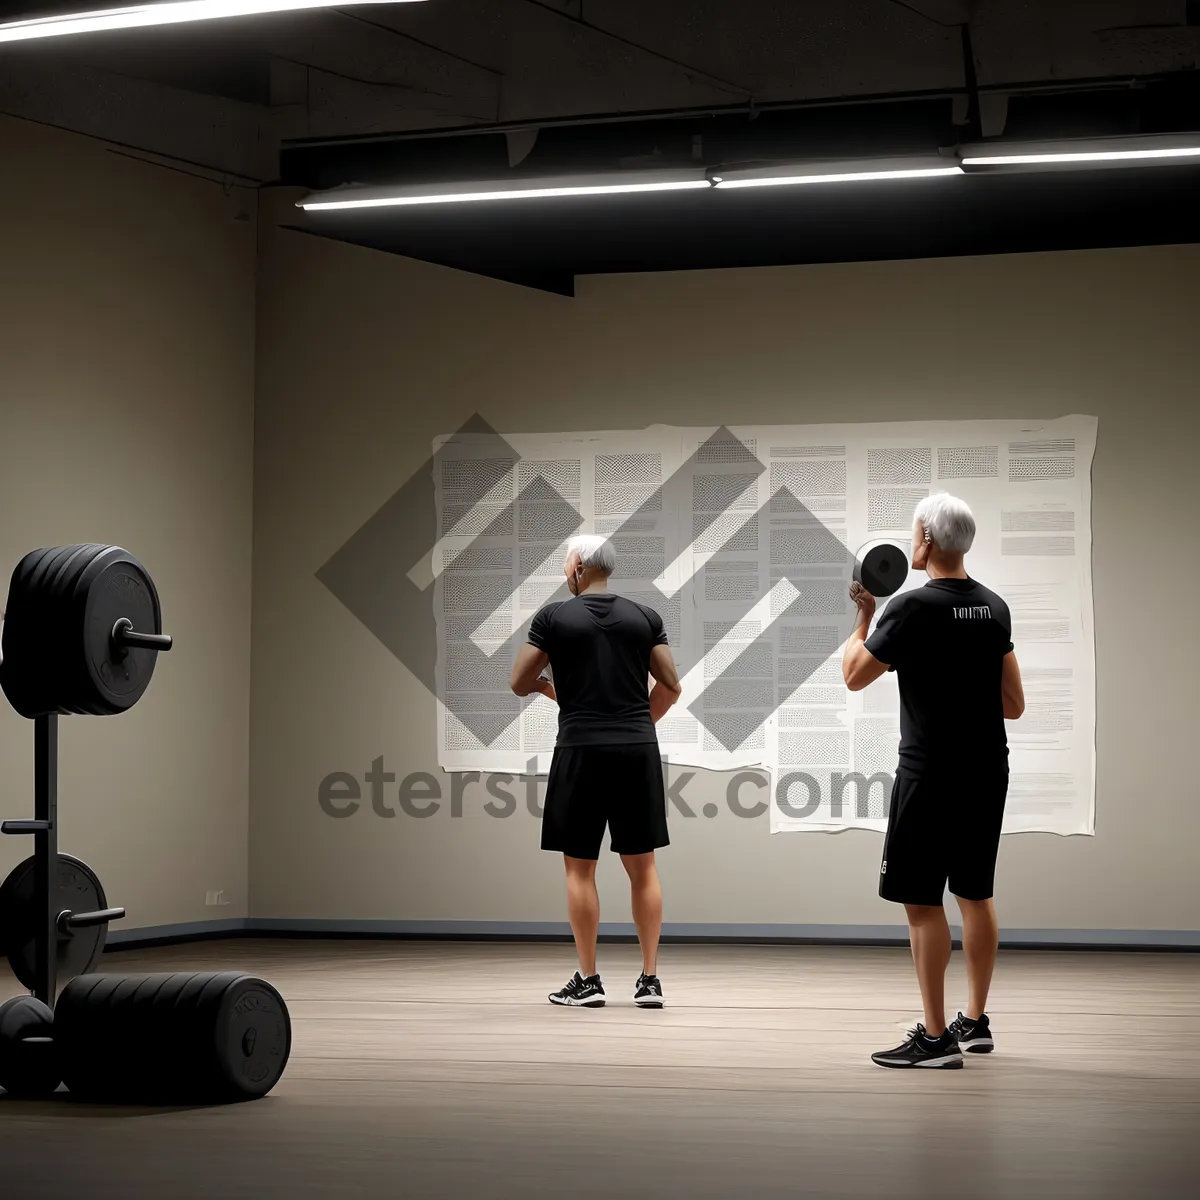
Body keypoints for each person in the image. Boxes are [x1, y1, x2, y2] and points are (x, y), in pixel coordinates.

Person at [842, 493, 1025, 1069]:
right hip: (986, 769)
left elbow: (853, 676)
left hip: (929, 774)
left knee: (921, 902)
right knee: (975, 893)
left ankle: (935, 1037)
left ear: (925, 537)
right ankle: (974, 1020)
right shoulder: (995, 608)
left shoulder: (911, 609)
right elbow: (1013, 704)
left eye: (912, 531)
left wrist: (865, 617)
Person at [510, 533, 683, 1010]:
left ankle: (587, 981)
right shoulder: (645, 617)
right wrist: (636, 723)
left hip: (580, 749)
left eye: (567, 562)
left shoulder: (553, 617)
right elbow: (671, 686)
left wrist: (552, 691)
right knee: (643, 868)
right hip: (636, 752)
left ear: (579, 568)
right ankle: (649, 981)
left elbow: (518, 680)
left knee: (579, 869)